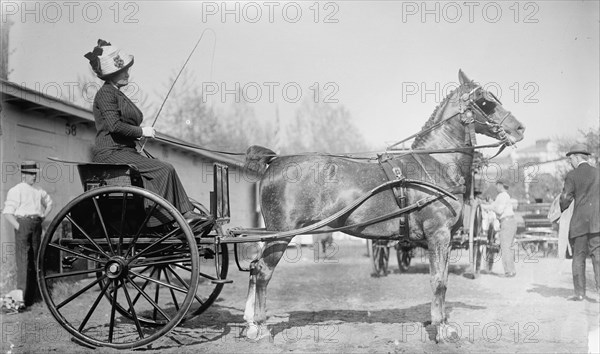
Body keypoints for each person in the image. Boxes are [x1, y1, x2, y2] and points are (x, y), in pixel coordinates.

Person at [84, 39, 202, 225]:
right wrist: (142, 131)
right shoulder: (106, 93)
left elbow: (120, 126)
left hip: (124, 152)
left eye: (125, 69)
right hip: (110, 154)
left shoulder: (117, 94)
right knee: (164, 168)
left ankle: (184, 213)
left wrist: (137, 134)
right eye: (121, 71)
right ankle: (163, 219)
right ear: (111, 74)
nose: (126, 73)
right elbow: (114, 126)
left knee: (163, 167)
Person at [2, 161, 53, 308]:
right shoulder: (16, 190)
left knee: (36, 259)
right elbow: (7, 213)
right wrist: (19, 226)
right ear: (24, 175)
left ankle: (35, 297)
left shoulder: (38, 190)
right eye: (31, 174)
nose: (34, 177)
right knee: (23, 261)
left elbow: (49, 203)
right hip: (23, 224)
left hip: (36, 224)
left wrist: (42, 216)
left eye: (35, 173)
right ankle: (20, 300)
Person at [559, 143, 600, 301]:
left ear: (576, 157)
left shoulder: (572, 175)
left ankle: (580, 293)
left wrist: (562, 208)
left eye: (570, 159)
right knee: (598, 257)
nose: (570, 162)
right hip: (597, 223)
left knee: (578, 257)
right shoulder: (598, 173)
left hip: (579, 224)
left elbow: (565, 198)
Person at [481, 179, 517, 277]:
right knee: (509, 248)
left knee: (505, 248)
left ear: (500, 185)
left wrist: (485, 207)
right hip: (511, 222)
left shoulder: (501, 196)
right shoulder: (505, 196)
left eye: (497, 186)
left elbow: (499, 210)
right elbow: (495, 205)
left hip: (506, 222)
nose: (496, 188)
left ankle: (508, 271)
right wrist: (486, 206)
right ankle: (512, 270)